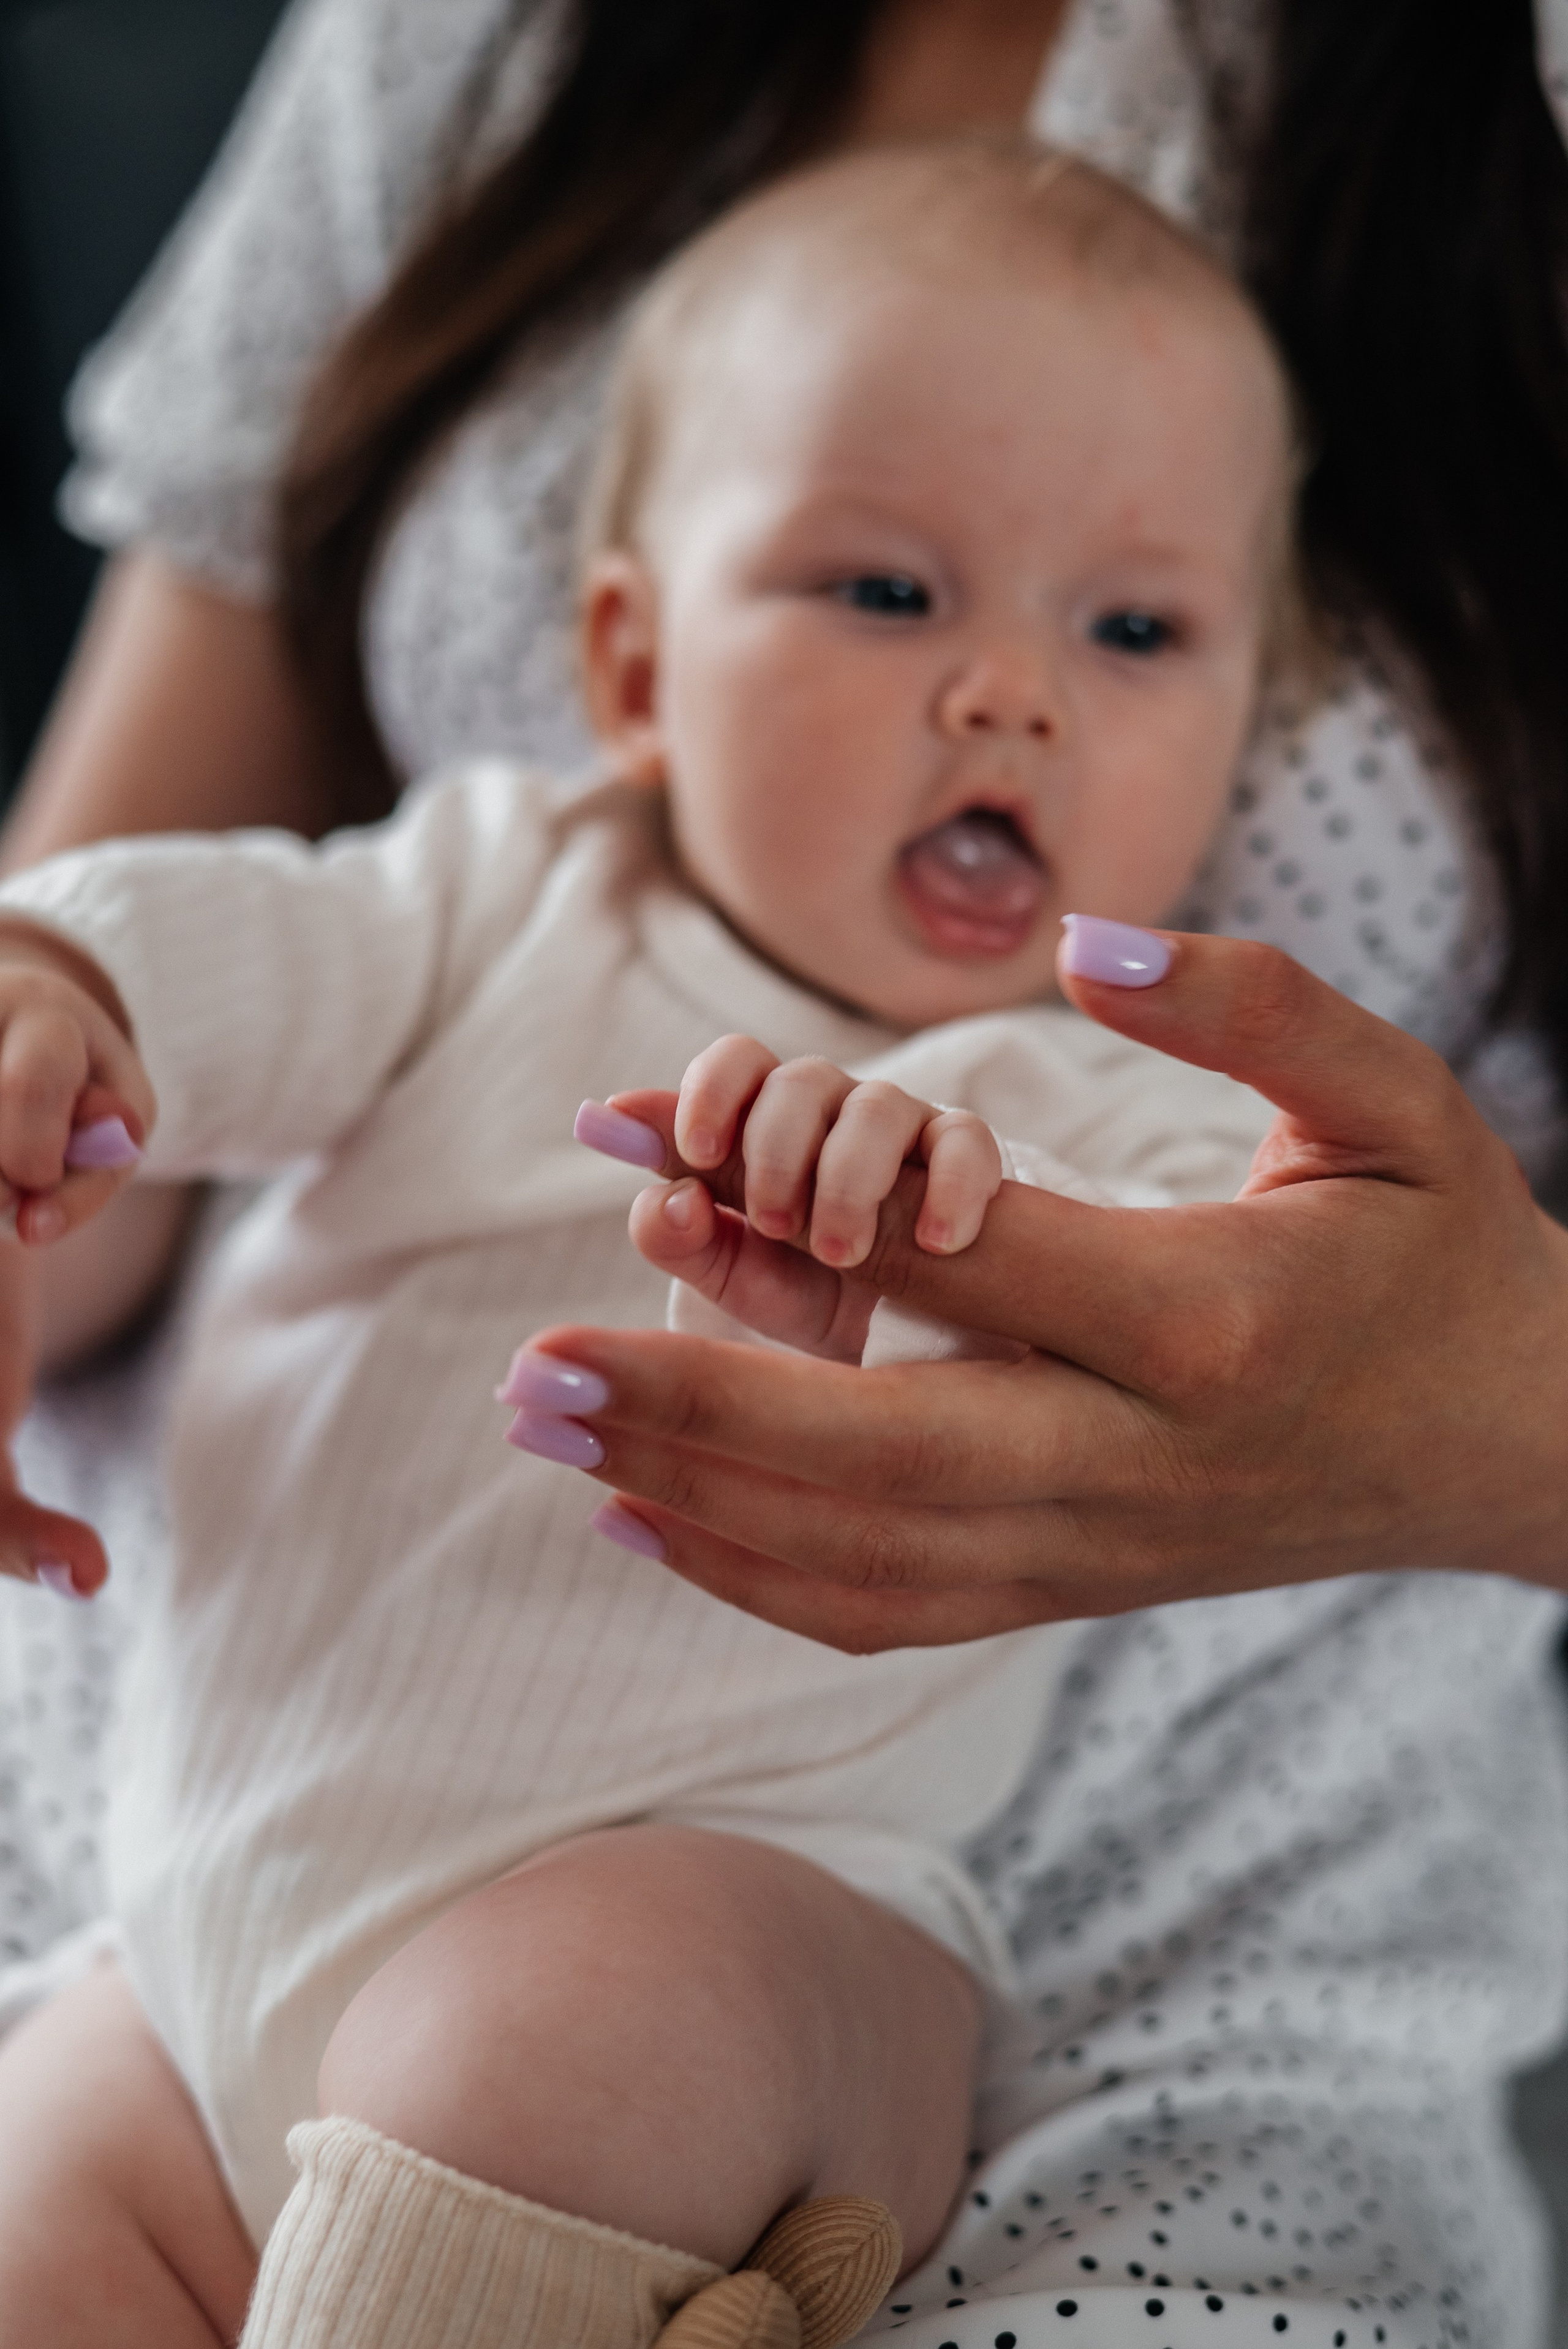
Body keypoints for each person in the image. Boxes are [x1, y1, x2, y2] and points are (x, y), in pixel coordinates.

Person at [0, 0, 1565, 2340]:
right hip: (190, 1871)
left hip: (758, 1896)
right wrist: (57, 1028)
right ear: (629, 660)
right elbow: (198, 946)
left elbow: (1248, 1313)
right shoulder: (488, 895)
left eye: (1133, 631)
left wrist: (943, 1213)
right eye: (888, 592)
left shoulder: (1103, 1092)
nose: (1009, 693)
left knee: (549, 2035)